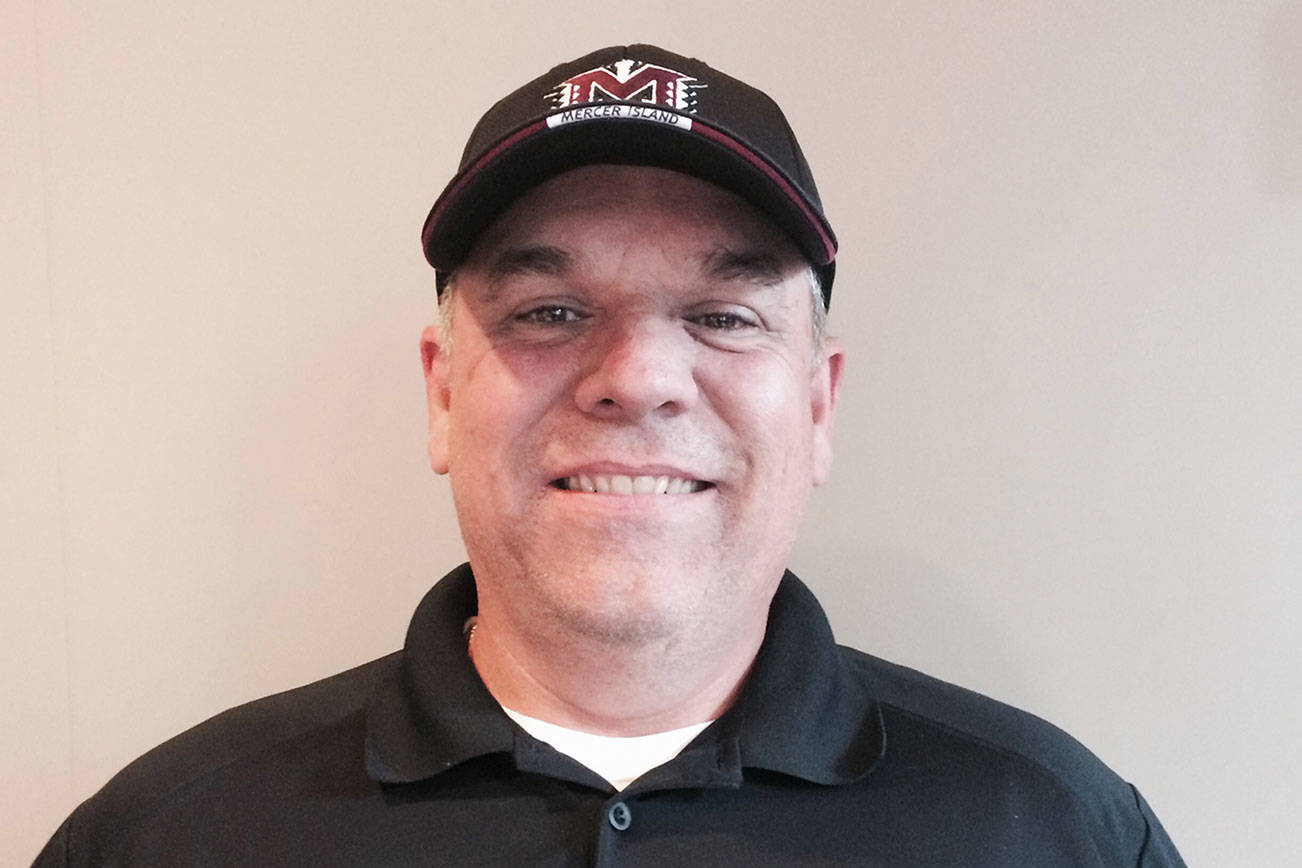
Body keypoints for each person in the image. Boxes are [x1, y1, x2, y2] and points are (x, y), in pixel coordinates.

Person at [34, 44, 1184, 866]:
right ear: (443, 394)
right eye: (548, 311)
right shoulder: (164, 835)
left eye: (725, 316)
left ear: (820, 408)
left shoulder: (1059, 830)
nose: (638, 376)